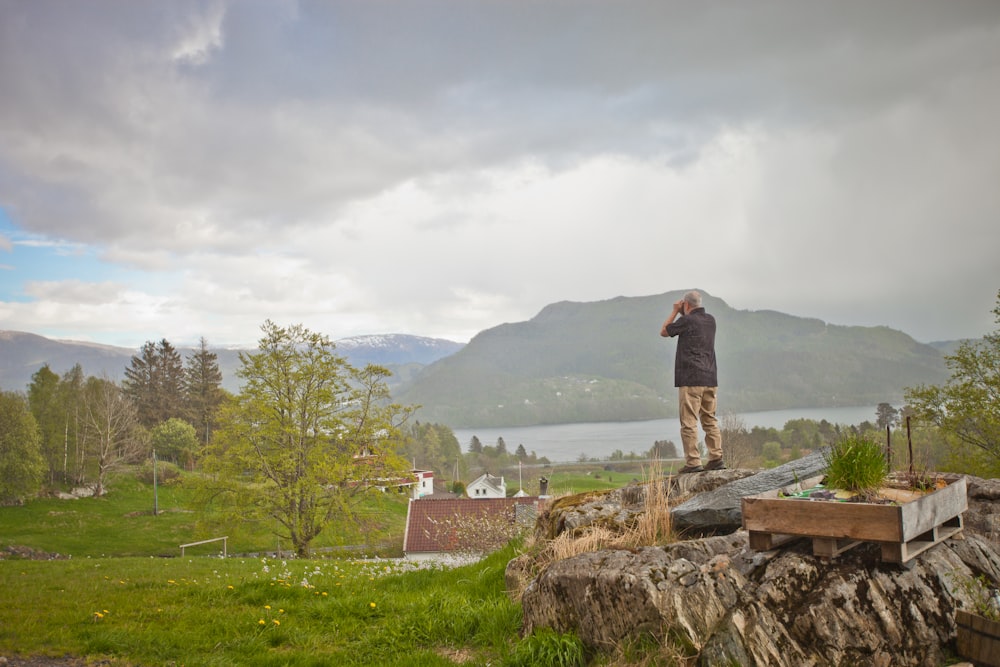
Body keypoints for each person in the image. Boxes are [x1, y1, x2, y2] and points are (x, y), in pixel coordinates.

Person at [660, 290, 724, 473]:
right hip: (710, 378)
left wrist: (674, 311)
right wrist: (684, 311)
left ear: (685, 304)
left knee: (689, 421)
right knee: (709, 419)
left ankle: (693, 462)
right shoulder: (710, 320)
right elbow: (691, 321)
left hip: (691, 377)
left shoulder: (686, 321)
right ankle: (716, 457)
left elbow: (664, 331)